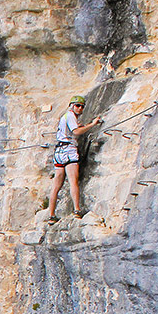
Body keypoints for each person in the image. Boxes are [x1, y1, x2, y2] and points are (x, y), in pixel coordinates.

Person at [46, 96, 102, 224]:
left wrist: (80, 126)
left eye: (82, 106)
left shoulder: (65, 117)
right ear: (71, 105)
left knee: (56, 185)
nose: (80, 108)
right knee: (73, 180)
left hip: (59, 151)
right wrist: (92, 124)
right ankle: (77, 210)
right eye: (77, 105)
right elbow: (76, 132)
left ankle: (51, 215)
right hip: (69, 150)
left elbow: (70, 130)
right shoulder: (70, 116)